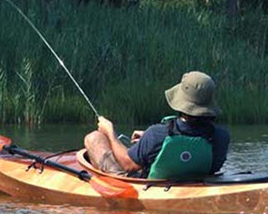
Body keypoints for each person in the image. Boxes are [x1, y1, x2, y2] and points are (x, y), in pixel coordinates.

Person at [84, 71, 230, 179]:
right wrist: (147, 138)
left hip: (148, 187)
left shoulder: (157, 134)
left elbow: (128, 165)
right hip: (194, 184)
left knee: (94, 138)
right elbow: (210, 166)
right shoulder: (221, 137)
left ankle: (117, 184)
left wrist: (110, 132)